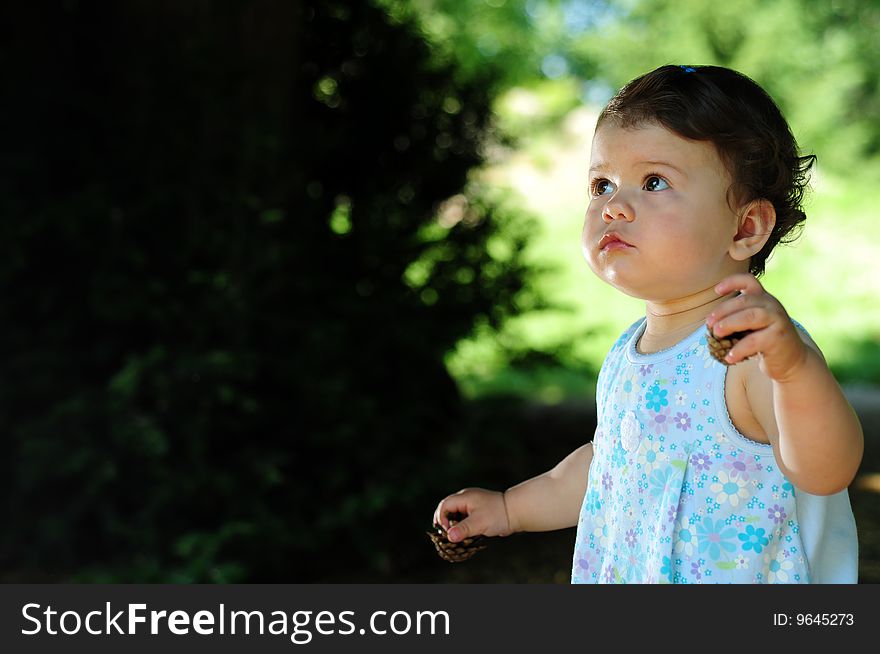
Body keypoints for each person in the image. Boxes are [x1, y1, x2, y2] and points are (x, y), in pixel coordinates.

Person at [432, 64, 864, 583]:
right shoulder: (628, 351)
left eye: (653, 181)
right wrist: (509, 509)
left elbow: (827, 469)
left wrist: (793, 371)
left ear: (746, 226)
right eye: (602, 184)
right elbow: (609, 465)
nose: (613, 206)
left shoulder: (756, 348)